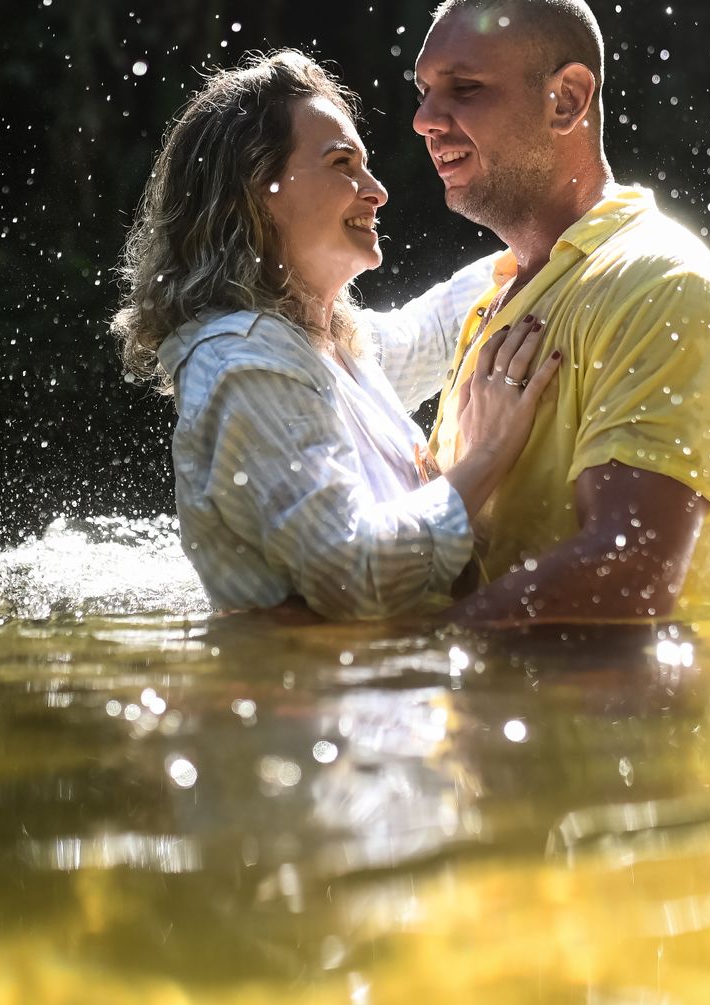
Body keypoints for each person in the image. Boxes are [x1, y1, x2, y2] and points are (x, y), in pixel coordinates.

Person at [111, 49, 559, 620]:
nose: (376, 190)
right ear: (257, 189)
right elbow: (355, 576)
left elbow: (435, 328)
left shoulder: (325, 346)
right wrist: (490, 453)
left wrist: (561, 237)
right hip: (317, 681)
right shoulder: (243, 363)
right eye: (343, 163)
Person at [411, 0, 710, 622]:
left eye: (465, 89)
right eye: (424, 92)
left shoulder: (662, 285)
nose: (425, 120)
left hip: (600, 698)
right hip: (490, 688)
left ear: (566, 99)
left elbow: (632, 570)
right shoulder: (499, 289)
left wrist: (404, 656)